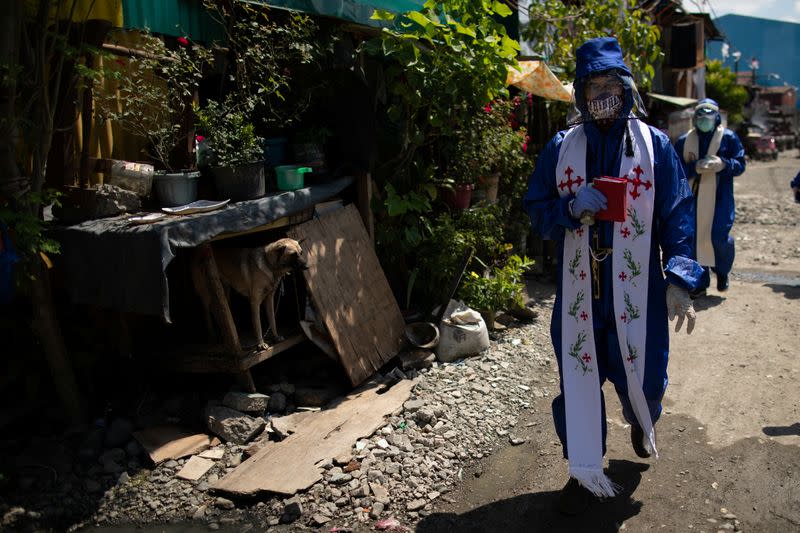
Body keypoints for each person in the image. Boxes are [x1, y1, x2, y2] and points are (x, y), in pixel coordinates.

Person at [523, 37, 703, 515]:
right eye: (592, 85)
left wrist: (681, 277)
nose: (602, 94)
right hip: (581, 288)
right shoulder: (562, 148)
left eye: (610, 84)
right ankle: (585, 461)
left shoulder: (655, 146)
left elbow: (678, 213)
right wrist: (568, 207)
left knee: (643, 375)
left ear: (625, 89)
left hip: (637, 287)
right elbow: (536, 207)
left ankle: (643, 421)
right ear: (580, 94)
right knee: (578, 375)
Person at [675, 99, 746, 294]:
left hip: (720, 199)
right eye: (700, 115)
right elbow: (675, 171)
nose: (704, 119)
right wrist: (694, 167)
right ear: (694, 118)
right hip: (693, 199)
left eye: (709, 115)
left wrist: (723, 164)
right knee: (694, 239)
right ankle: (700, 282)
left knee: (717, 237)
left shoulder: (729, 138)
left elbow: (740, 165)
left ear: (716, 117)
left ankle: (722, 271)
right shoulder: (683, 141)